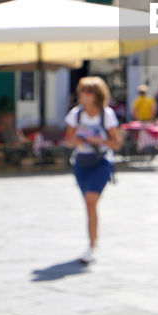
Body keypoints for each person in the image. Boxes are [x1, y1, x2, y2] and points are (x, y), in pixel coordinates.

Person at [64, 76, 122, 265]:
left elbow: (116, 143)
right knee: (89, 205)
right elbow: (68, 139)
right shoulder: (76, 114)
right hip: (81, 162)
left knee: (91, 200)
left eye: (88, 91)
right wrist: (77, 140)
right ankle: (93, 242)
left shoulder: (107, 115)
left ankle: (91, 246)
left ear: (97, 95)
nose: (84, 94)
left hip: (101, 162)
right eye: (82, 90)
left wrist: (100, 141)